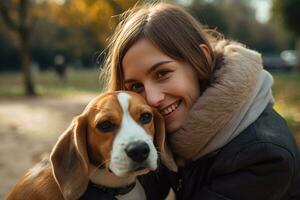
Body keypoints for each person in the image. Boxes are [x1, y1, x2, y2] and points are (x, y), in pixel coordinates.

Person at [100, 2, 300, 199]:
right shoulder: (164, 128)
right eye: (136, 87)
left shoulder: (263, 156)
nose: (152, 99)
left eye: (162, 74)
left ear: (201, 58)